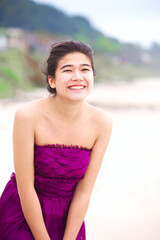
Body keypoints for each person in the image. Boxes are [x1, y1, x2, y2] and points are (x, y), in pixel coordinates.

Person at [0, 40, 112, 240]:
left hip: (69, 219)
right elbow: (25, 187)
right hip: (23, 213)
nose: (78, 77)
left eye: (84, 69)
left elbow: (84, 191)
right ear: (52, 81)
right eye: (68, 70)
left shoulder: (102, 123)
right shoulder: (27, 115)